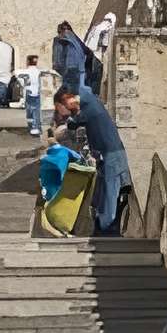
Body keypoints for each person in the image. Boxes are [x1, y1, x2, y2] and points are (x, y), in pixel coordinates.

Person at [50, 83, 131, 236]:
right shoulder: (88, 101)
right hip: (108, 154)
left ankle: (106, 233)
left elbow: (74, 123)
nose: (60, 113)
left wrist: (64, 125)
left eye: (58, 107)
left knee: (109, 197)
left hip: (112, 155)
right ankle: (103, 228)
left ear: (66, 100)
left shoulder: (87, 107)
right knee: (102, 195)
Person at [52, 20, 90, 96]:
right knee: (77, 93)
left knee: (68, 93)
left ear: (60, 31)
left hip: (69, 69)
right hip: (80, 69)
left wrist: (56, 69)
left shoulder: (59, 39)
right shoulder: (75, 37)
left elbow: (57, 55)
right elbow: (86, 50)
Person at [17, 53, 46, 138]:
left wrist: (22, 84)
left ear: (27, 61)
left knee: (29, 110)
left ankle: (32, 127)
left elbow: (18, 76)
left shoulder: (24, 71)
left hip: (28, 92)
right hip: (37, 92)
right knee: (36, 110)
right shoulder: (39, 71)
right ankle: (36, 126)